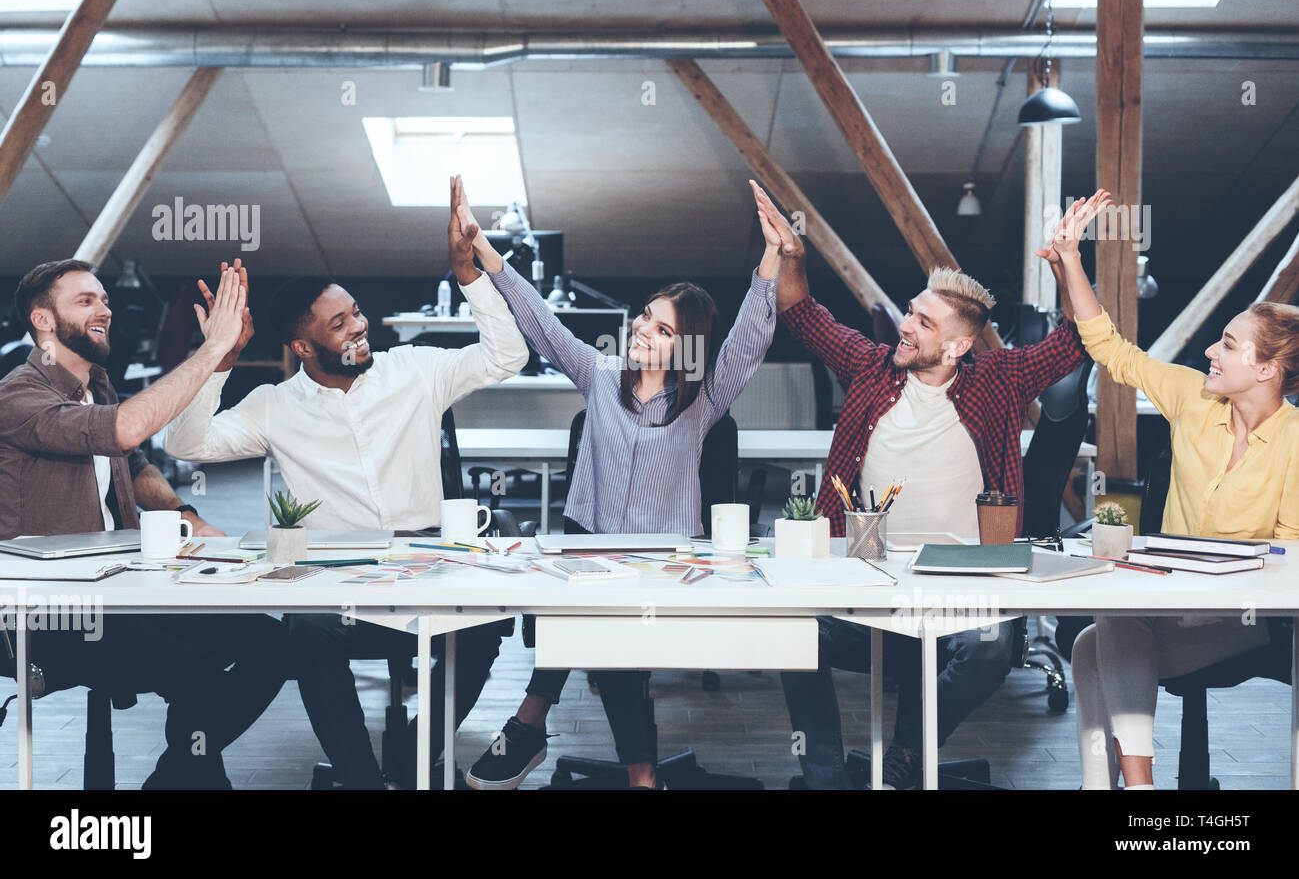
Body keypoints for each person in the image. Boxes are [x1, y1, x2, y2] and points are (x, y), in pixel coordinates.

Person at [163, 192, 530, 788]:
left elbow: (508, 354)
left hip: (428, 563)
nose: (359, 326)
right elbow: (187, 444)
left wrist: (472, 278)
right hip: (337, 578)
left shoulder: (415, 369)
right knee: (305, 634)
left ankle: (418, 748)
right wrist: (217, 360)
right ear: (302, 347)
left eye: (356, 312)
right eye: (339, 324)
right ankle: (362, 778)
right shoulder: (274, 407)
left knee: (490, 622)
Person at [760, 185, 1092, 789]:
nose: (904, 326)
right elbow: (801, 312)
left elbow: (1077, 339)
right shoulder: (869, 366)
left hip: (960, 582)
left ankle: (909, 755)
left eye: (922, 321)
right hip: (866, 573)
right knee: (793, 633)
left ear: (959, 345)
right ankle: (827, 774)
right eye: (910, 312)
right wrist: (791, 255)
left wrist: (1068, 260)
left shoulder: (998, 380)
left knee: (992, 648)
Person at [464, 177, 782, 790]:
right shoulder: (599, 374)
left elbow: (748, 339)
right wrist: (483, 249)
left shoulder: (702, 399)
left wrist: (770, 259)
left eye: (662, 330)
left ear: (686, 346)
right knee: (593, 618)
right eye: (645, 318)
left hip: (664, 560)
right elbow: (542, 323)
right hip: (589, 545)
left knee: (597, 628)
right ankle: (640, 777)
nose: (642, 330)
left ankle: (533, 726)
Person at [1042, 190, 1299, 789]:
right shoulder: (1193, 397)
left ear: (1267, 369)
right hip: (1172, 603)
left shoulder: (1294, 440)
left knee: (1109, 624)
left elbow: (1290, 551)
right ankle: (1114, 788)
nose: (1210, 350)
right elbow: (1111, 349)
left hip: (1245, 614)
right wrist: (1071, 259)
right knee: (1090, 642)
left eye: (1229, 344)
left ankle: (1135, 789)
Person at [0, 259, 289, 788]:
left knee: (273, 645)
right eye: (85, 300)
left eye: (103, 299)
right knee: (196, 671)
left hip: (123, 590)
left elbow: (133, 465)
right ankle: (187, 779)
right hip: (50, 613)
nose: (104, 309)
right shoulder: (18, 395)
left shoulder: (98, 386)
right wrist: (210, 352)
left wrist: (184, 515)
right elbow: (125, 432)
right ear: (42, 320)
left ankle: (175, 777)